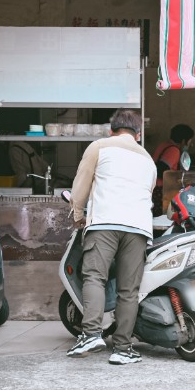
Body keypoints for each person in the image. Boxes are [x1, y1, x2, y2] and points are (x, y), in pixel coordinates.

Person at [66, 108, 156, 365]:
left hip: (106, 221)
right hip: (138, 227)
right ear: (137, 135)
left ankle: (92, 334)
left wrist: (78, 215)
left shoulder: (99, 147)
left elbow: (81, 186)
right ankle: (123, 349)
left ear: (111, 130)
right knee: (129, 290)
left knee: (94, 277)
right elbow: (148, 191)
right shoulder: (148, 160)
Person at [150, 124, 194, 215]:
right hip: (161, 191)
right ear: (183, 141)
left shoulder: (163, 145)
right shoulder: (174, 151)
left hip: (154, 188)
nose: (191, 145)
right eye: (189, 142)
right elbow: (163, 171)